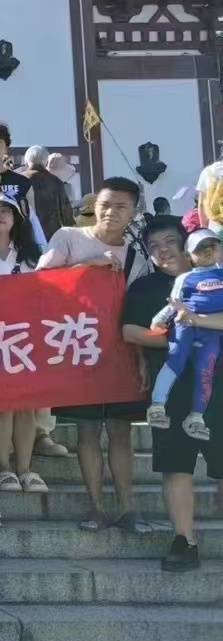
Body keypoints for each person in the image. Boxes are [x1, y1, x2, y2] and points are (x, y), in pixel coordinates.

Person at [38, 176, 150, 532]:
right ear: (93, 205)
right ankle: (95, 507)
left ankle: (129, 508)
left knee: (120, 431)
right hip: (77, 351)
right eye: (105, 204)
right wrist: (88, 267)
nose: (111, 212)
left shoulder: (139, 256)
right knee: (87, 431)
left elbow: (137, 311)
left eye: (121, 206)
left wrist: (142, 359)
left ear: (134, 212)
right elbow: (39, 283)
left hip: (121, 352)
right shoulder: (69, 237)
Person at [118, 217, 217, 571]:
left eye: (169, 242)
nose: (162, 251)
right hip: (172, 387)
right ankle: (184, 539)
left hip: (217, 382)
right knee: (176, 464)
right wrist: (179, 340)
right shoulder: (144, 288)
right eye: (154, 246)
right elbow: (130, 331)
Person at [0, 190, 48, 494]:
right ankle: (4, 468)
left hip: (28, 338)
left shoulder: (34, 255)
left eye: (5, 210)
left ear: (16, 218)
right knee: (2, 405)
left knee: (26, 405)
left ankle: (25, 469)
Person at [146, 229, 223, 440]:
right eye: (201, 248)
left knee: (206, 370)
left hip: (212, 333)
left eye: (212, 246)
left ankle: (196, 417)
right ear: (189, 256)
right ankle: (157, 407)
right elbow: (174, 303)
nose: (207, 251)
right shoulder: (185, 278)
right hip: (184, 327)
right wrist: (159, 320)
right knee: (175, 360)